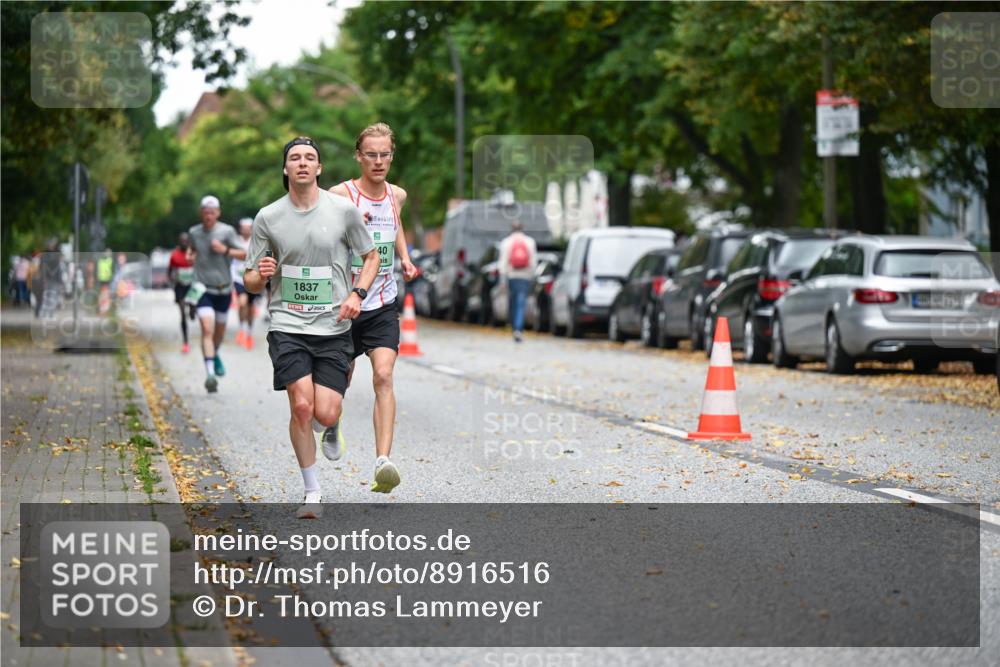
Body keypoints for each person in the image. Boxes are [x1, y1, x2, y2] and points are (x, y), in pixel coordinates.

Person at [243, 136, 379, 519]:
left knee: (327, 412)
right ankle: (312, 493)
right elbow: (250, 279)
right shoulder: (268, 217)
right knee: (301, 406)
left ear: (319, 168)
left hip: (334, 326)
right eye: (294, 158)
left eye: (310, 158)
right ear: (285, 168)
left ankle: (332, 425)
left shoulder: (343, 211)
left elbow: (371, 257)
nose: (302, 163)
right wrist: (260, 275)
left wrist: (358, 294)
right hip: (287, 324)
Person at [328, 122, 417, 494]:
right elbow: (322, 234)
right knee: (340, 381)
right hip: (346, 302)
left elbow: (394, 225)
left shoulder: (397, 195)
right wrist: (349, 225)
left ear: (391, 156)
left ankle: (383, 461)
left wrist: (405, 258)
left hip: (381, 300)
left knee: (383, 376)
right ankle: (331, 422)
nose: (379, 162)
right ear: (359, 156)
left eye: (385, 155)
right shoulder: (340, 194)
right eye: (371, 155)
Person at [188, 195, 246, 393]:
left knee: (218, 334)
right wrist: (190, 255)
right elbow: (192, 249)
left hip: (223, 288)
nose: (209, 215)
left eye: (212, 212)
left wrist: (225, 250)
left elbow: (246, 254)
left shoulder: (227, 231)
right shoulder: (194, 232)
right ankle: (210, 374)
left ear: (218, 213)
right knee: (207, 328)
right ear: (201, 213)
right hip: (202, 288)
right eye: (205, 212)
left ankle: (215, 353)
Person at [498, 220, 538, 342]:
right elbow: (533, 262)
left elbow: (503, 262)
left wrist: (502, 279)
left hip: (512, 276)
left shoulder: (506, 242)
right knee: (521, 303)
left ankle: (515, 326)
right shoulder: (530, 242)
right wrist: (532, 276)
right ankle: (518, 329)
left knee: (513, 302)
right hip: (525, 276)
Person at [231, 218, 259, 350]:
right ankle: (241, 328)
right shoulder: (235, 240)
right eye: (244, 228)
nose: (246, 230)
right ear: (240, 229)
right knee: (242, 303)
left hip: (252, 277)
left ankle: (249, 332)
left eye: (249, 228)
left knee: (250, 306)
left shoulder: (257, 240)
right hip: (238, 277)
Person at [168, 232, 195, 353]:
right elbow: (170, 271)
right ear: (179, 241)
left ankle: (193, 309)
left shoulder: (194, 254)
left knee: (192, 312)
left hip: (193, 286)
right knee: (182, 313)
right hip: (180, 287)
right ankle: (185, 342)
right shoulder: (174, 255)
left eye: (186, 240)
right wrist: (173, 281)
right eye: (182, 241)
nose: (184, 242)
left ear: (189, 241)